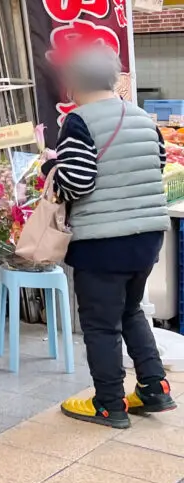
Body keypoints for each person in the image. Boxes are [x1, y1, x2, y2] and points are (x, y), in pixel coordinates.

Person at [45, 44, 176, 428]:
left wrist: (52, 168)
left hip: (102, 241)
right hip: (148, 236)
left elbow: (78, 181)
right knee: (131, 310)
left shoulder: (79, 122)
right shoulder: (141, 117)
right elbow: (158, 163)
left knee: (101, 324)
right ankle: (154, 388)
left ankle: (109, 404)